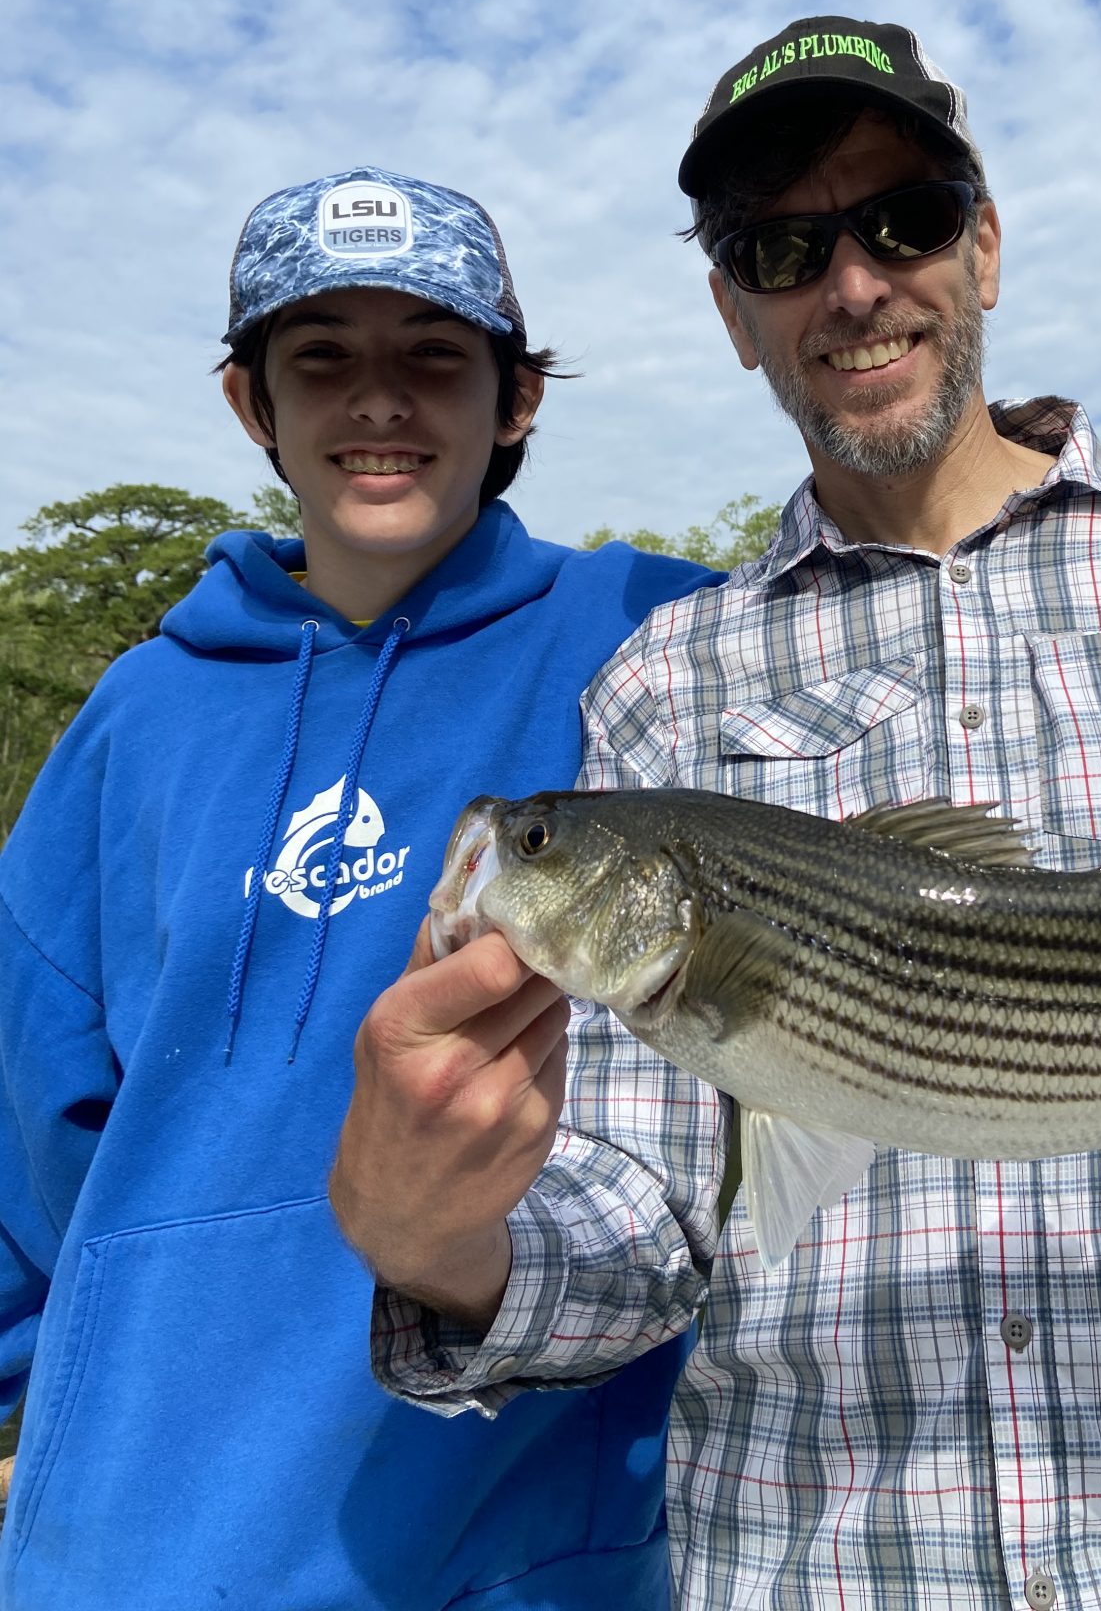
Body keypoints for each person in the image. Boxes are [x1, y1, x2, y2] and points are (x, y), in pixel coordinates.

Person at [331, 22, 1101, 1611]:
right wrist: (442, 1249)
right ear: (733, 312)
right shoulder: (661, 685)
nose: (851, 285)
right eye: (780, 247)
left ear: (982, 243)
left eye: (901, 219)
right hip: (837, 1563)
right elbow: (646, 1210)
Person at [0, 167, 711, 1610]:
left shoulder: (654, 635)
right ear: (251, 404)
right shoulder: (136, 715)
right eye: (320, 358)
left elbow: (907, 601)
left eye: (433, 358)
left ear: (516, 399)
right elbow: (28, 1132)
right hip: (133, 1542)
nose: (378, 400)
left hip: (525, 1555)